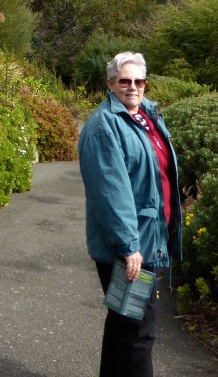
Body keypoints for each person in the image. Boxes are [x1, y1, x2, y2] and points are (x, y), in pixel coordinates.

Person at [78, 52, 182, 377]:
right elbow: (111, 192)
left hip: (149, 239)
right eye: (125, 80)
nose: (133, 87)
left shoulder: (145, 118)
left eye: (139, 81)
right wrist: (128, 246)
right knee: (139, 331)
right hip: (131, 249)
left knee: (124, 325)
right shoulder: (104, 127)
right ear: (110, 83)